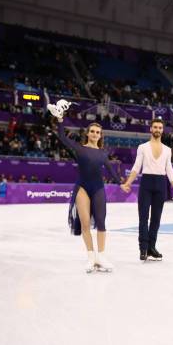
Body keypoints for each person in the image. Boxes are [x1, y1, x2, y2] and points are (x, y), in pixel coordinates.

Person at [47, 99, 122, 273]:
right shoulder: (79, 149)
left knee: (102, 222)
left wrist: (121, 183)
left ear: (100, 135)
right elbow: (62, 137)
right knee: (86, 224)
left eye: (98, 132)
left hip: (98, 188)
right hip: (82, 188)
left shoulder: (103, 154)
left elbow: (111, 170)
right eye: (93, 131)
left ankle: (101, 257)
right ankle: (91, 257)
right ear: (88, 133)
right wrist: (60, 120)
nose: (95, 134)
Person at [121, 118, 173, 261]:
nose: (157, 130)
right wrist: (128, 182)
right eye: (155, 127)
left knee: (156, 219)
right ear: (151, 129)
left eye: (160, 128)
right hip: (146, 183)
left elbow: (169, 169)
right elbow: (136, 167)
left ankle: (151, 247)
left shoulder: (168, 150)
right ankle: (143, 249)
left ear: (162, 130)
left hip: (161, 184)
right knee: (143, 217)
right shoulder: (142, 147)